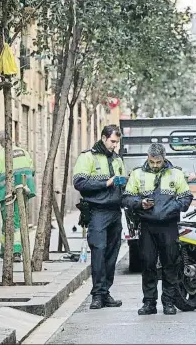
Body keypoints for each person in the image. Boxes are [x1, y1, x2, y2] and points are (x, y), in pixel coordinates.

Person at [122, 143, 193, 316]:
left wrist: (169, 208)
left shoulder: (175, 174)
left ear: (164, 158)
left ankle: (168, 302)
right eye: (152, 162)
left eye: (158, 162)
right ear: (148, 158)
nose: (155, 165)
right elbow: (126, 198)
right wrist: (140, 203)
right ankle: (149, 303)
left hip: (169, 226)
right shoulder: (138, 174)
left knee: (170, 265)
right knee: (147, 264)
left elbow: (186, 197)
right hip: (147, 226)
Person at [72, 124, 126, 310]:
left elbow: (122, 183)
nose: (114, 145)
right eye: (112, 141)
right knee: (99, 252)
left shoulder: (117, 159)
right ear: (103, 138)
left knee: (112, 255)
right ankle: (97, 295)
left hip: (115, 212)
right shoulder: (87, 157)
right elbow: (79, 182)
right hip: (97, 212)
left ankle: (105, 293)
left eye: (117, 142)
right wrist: (106, 182)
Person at [0, 130, 36, 262]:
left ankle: (15, 252)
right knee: (18, 220)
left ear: (1, 142)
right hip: (25, 191)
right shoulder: (24, 152)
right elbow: (32, 171)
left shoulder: (1, 155)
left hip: (8, 194)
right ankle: (5, 250)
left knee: (11, 221)